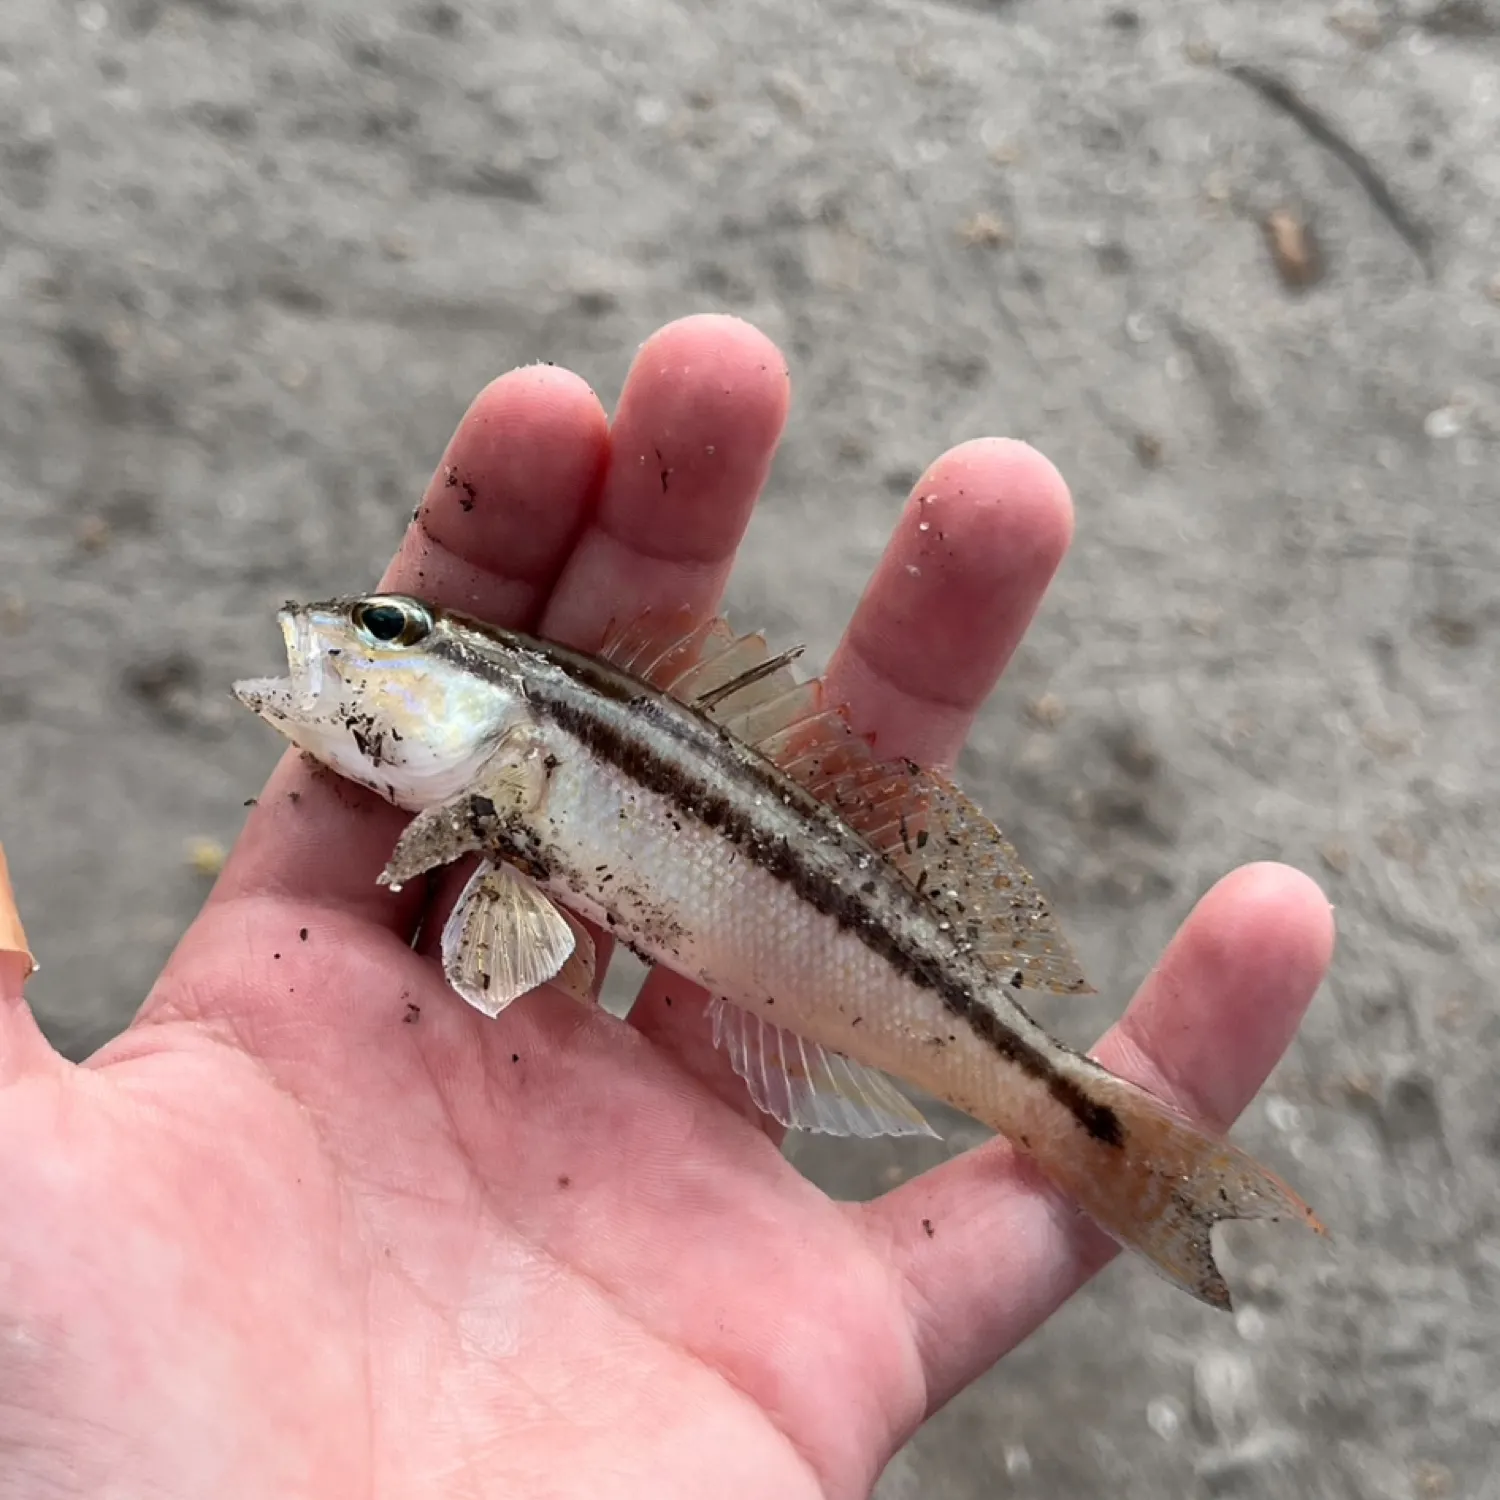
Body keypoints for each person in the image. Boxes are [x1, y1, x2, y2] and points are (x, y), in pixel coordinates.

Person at [0, 315, 1332, 1498]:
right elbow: (496, 920)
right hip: (814, 934)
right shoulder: (502, 766)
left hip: (847, 948)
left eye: (389, 638)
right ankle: (1113, 1142)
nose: (340, 641)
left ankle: (1100, 1132)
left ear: (491, 704)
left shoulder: (528, 746)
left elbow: (498, 910)